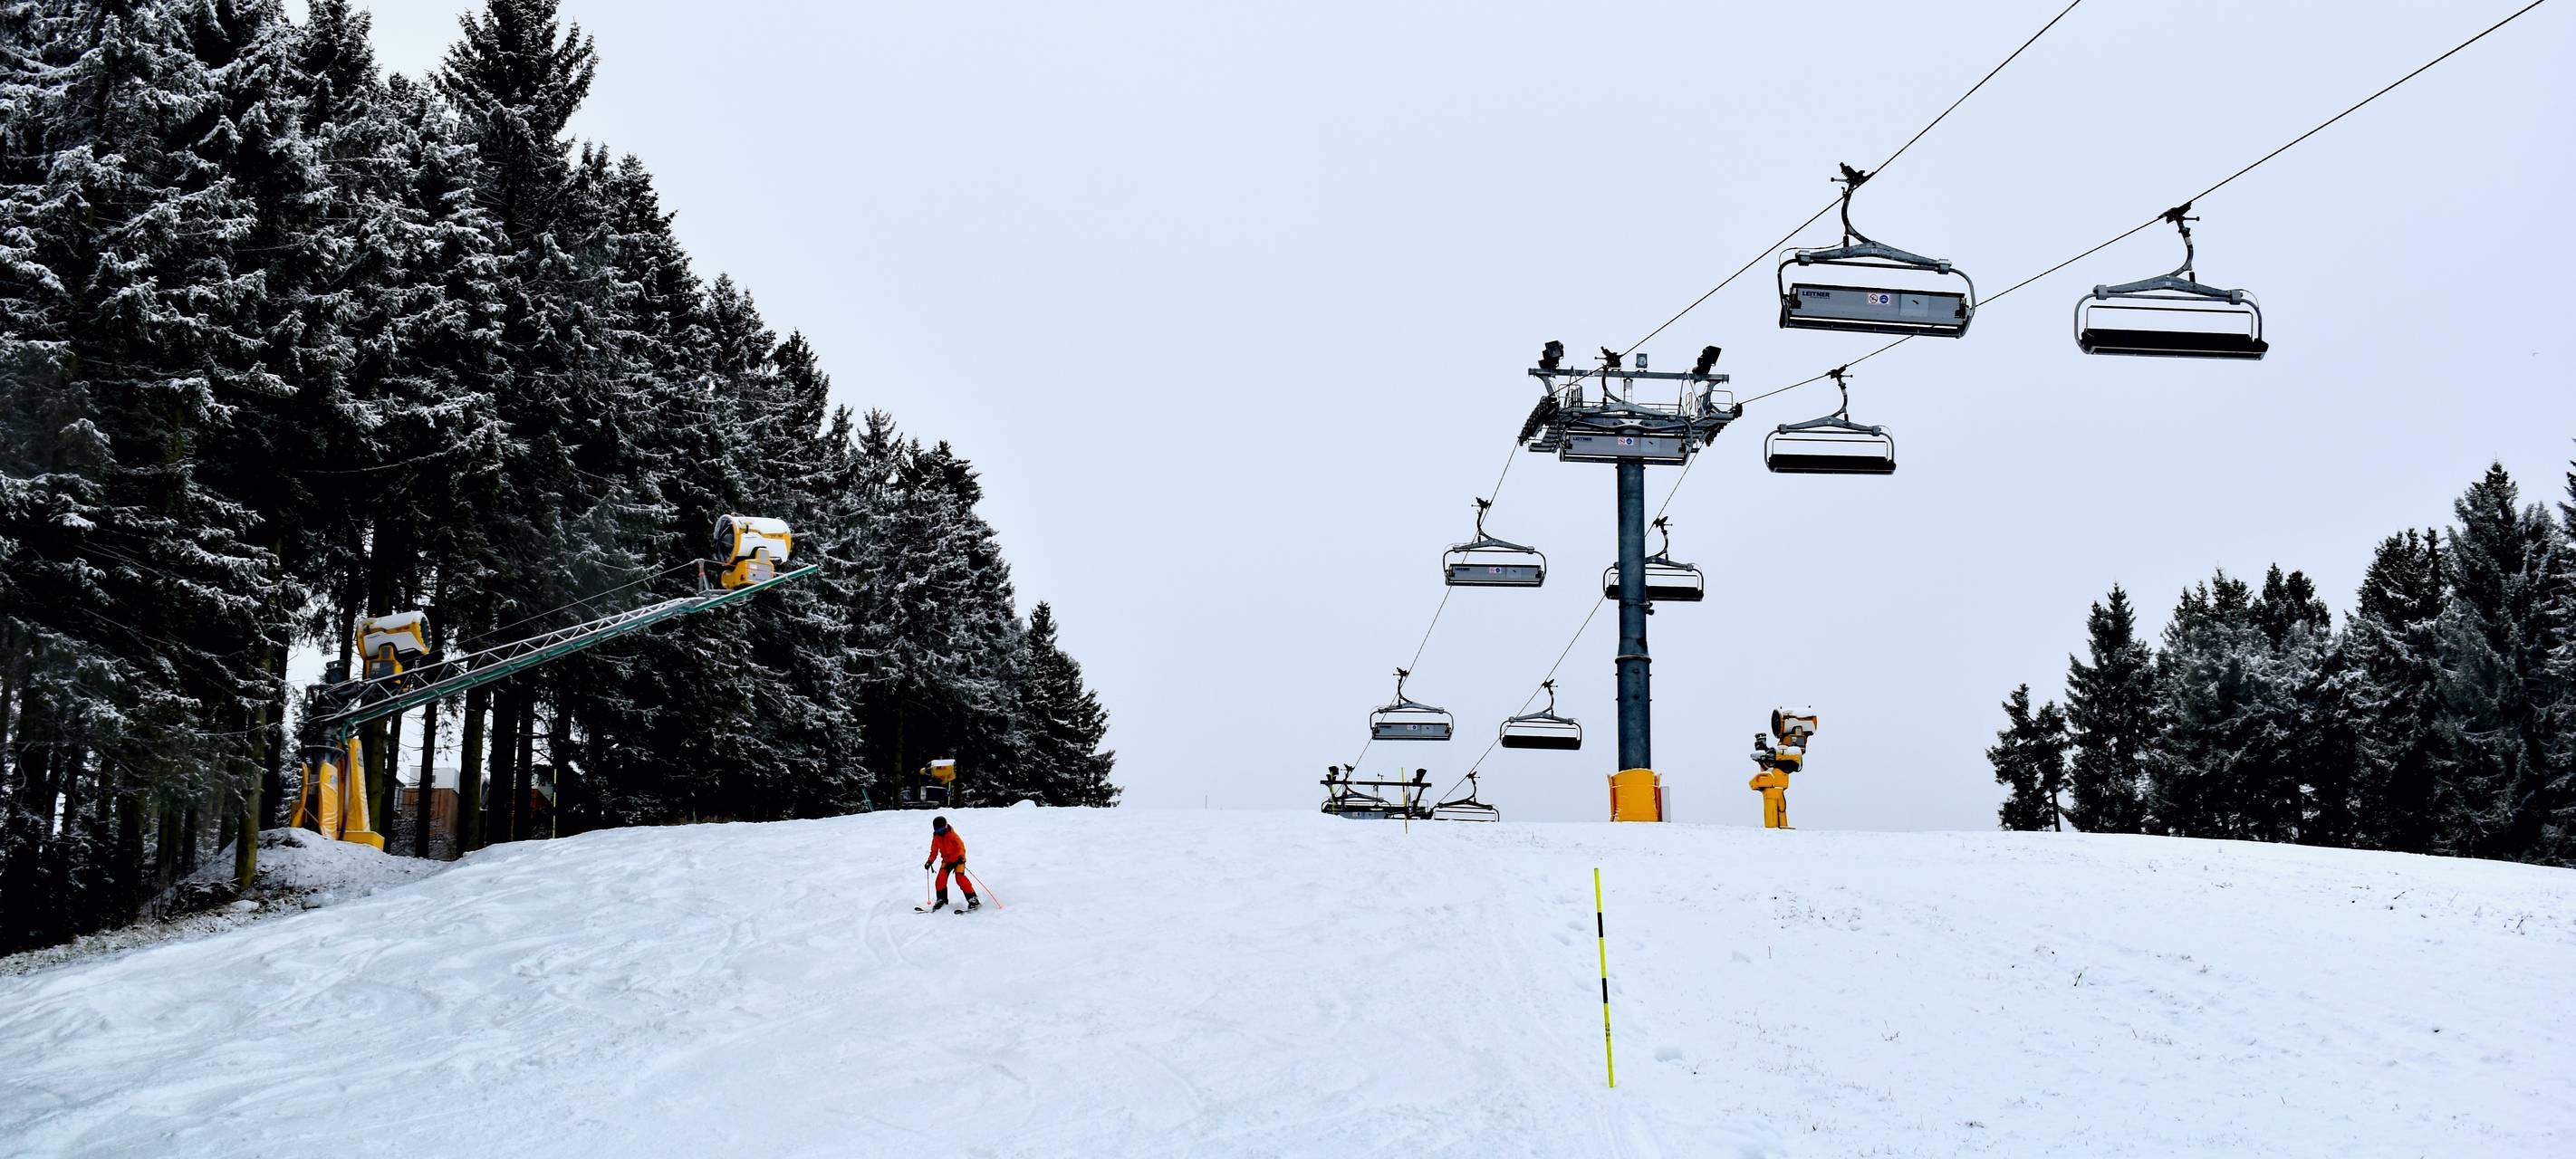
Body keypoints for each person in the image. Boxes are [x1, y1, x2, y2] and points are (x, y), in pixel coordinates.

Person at [922, 815, 980, 912]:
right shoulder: (936, 838)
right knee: (940, 879)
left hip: (958, 860)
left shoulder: (952, 835)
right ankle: (941, 900)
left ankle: (973, 899)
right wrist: (930, 861)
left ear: (945, 827)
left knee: (960, 878)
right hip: (946, 861)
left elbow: (961, 846)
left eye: (941, 830)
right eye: (938, 830)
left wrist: (962, 857)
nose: (940, 832)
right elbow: (934, 851)